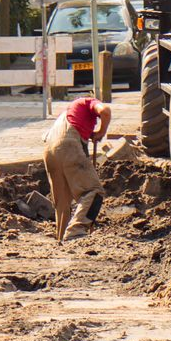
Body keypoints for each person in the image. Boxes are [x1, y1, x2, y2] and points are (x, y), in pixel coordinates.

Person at [43, 94, 111, 242]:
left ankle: (61, 240)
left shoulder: (66, 114)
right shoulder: (87, 102)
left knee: (62, 203)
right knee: (94, 192)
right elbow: (105, 111)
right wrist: (101, 132)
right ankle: (76, 231)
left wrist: (90, 135)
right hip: (67, 146)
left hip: (49, 151)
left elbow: (76, 132)